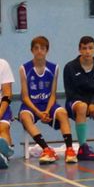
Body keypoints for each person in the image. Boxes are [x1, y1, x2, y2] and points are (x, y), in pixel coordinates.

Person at [19, 36, 76, 164]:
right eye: (36, 48)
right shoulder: (24, 69)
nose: (39, 51)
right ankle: (47, 150)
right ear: (31, 50)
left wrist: (47, 110)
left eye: (42, 48)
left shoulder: (54, 68)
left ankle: (70, 150)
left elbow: (53, 95)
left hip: (47, 104)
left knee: (62, 113)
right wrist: (39, 113)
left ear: (47, 50)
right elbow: (25, 97)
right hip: (31, 105)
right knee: (24, 116)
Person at [0, 55, 14, 170]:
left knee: (3, 127)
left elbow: (7, 93)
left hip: (2, 107)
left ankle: (4, 155)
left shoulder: (3, 64)